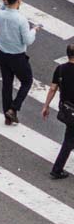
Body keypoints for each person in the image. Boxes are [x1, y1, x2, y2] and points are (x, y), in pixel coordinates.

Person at [0, 0, 38, 125]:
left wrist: (4, 2)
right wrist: (34, 30)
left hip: (2, 54)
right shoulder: (21, 19)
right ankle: (13, 108)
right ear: (19, 0)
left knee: (7, 84)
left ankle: (7, 115)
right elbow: (28, 40)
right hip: (17, 56)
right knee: (27, 81)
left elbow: (1, 9)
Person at [42, 44, 74, 180]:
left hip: (67, 110)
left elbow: (53, 89)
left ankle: (57, 169)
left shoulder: (60, 69)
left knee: (70, 138)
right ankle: (56, 169)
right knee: (68, 142)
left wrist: (46, 106)